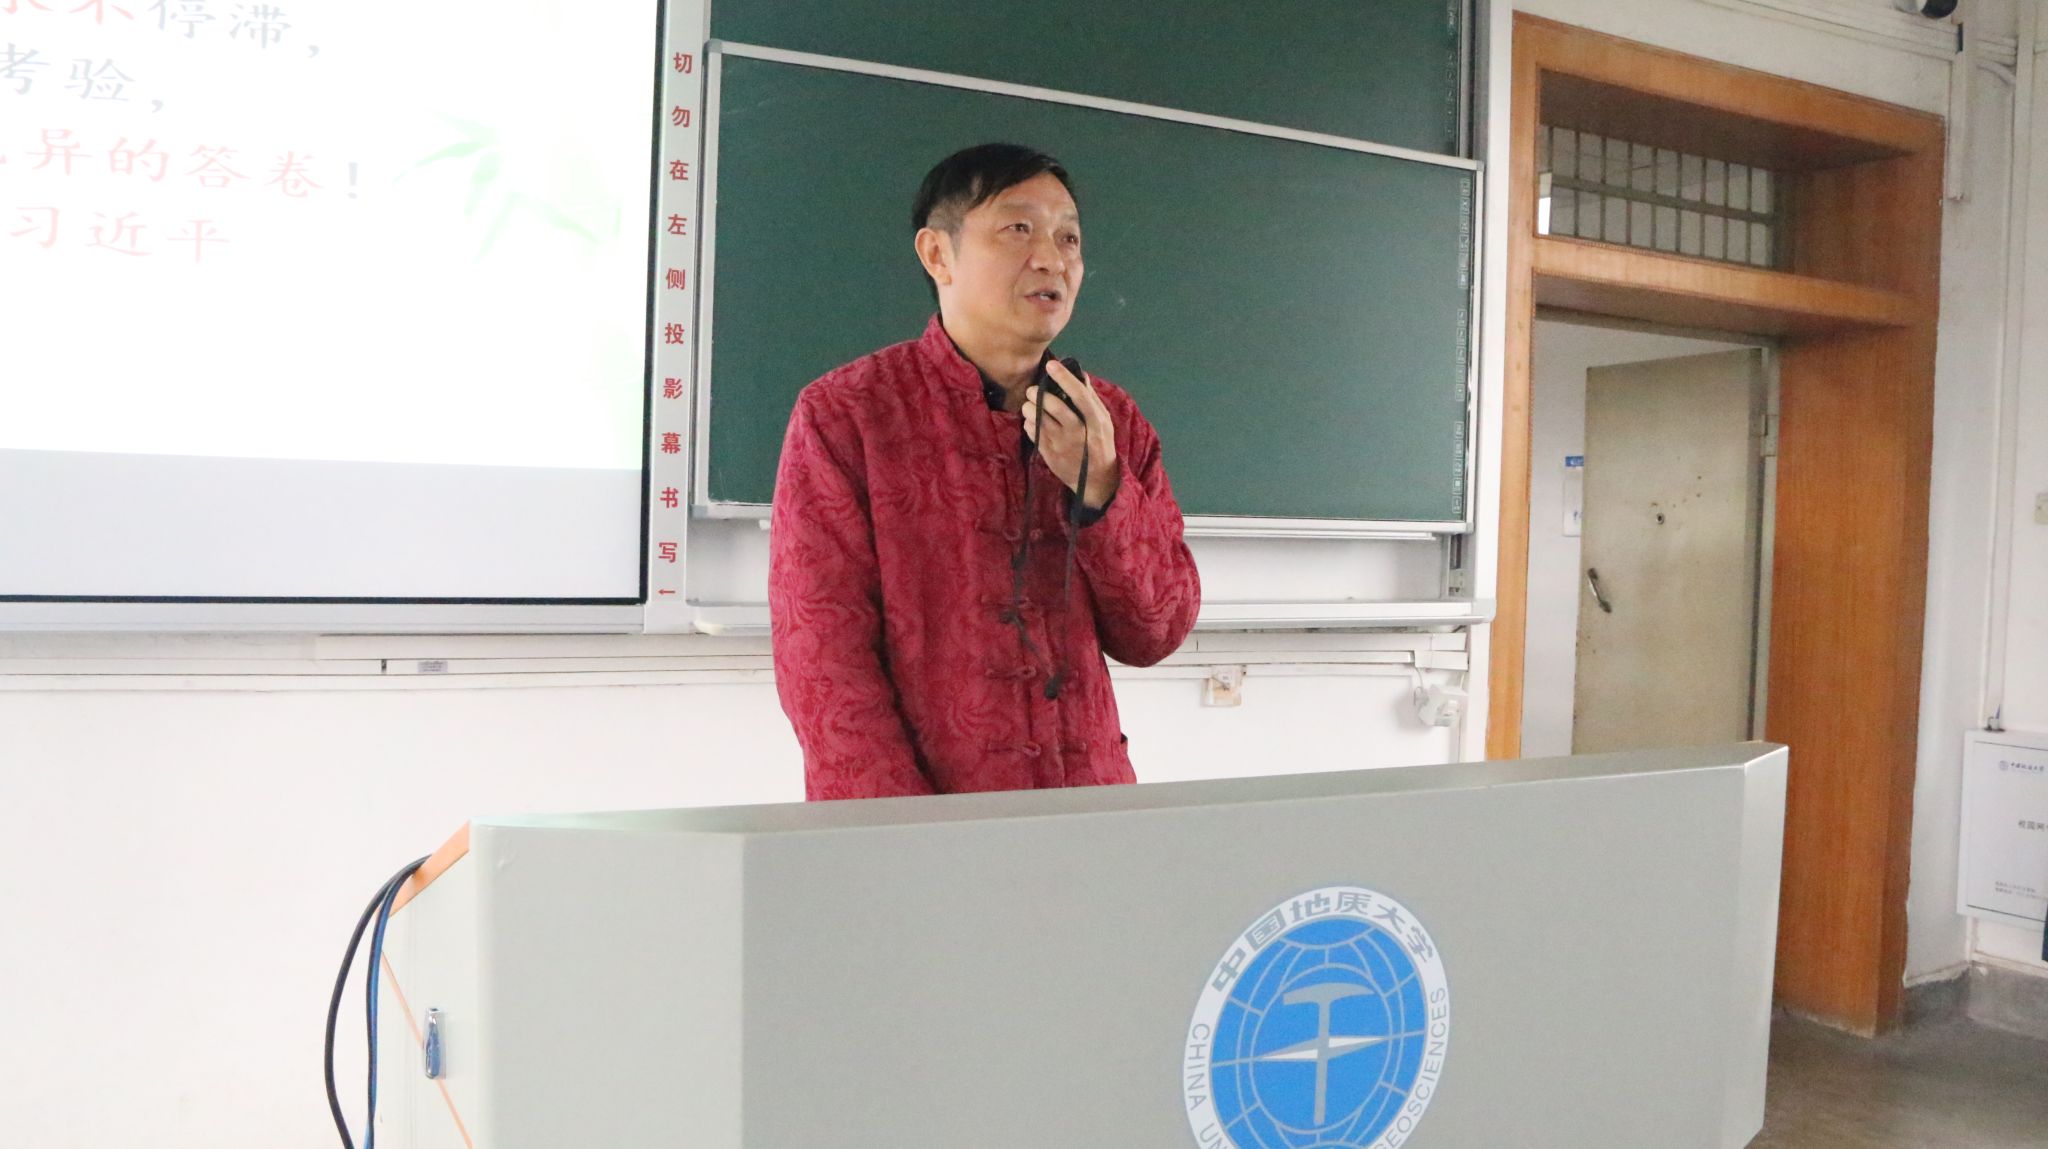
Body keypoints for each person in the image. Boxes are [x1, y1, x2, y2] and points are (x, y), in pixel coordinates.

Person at [768, 142, 1201, 800]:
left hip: (1092, 812)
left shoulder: (1109, 418)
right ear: (937, 254)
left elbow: (1156, 633)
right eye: (1018, 228)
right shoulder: (848, 414)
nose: (1052, 258)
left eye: (1069, 237)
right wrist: (910, 835)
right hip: (921, 825)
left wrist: (1102, 490)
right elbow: (824, 662)